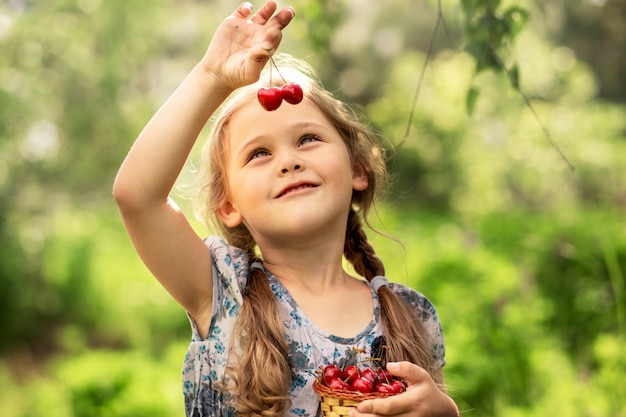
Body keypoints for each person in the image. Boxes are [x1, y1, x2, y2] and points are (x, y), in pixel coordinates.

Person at [113, 1, 460, 416]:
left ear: (357, 170)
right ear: (228, 206)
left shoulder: (412, 315)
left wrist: (445, 413)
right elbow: (137, 196)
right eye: (259, 153)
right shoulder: (224, 291)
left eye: (308, 139)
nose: (288, 161)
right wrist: (211, 76)